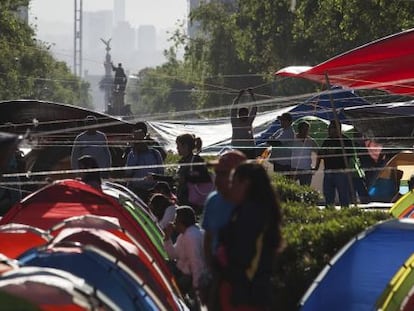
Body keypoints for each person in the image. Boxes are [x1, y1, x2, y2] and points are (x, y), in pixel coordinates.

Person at [215, 163, 283, 310]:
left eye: (233, 182)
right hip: (245, 292)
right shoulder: (248, 210)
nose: (230, 187)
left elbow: (242, 256)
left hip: (247, 295)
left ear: (245, 184)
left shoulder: (252, 214)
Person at [200, 150, 247, 309]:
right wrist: (209, 269)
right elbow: (208, 237)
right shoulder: (213, 201)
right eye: (217, 173)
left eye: (223, 173)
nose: (217, 178)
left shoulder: (252, 204)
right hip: (218, 274)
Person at [163, 206, 206, 307]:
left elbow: (196, 262)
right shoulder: (184, 235)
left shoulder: (191, 237)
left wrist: (197, 286)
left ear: (181, 221)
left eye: (175, 219)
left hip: (189, 277)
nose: (173, 222)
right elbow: (173, 255)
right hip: (183, 271)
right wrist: (167, 238)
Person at [315, 120, 354, 208]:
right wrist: (316, 166)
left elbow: (350, 156)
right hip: (328, 171)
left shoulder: (346, 141)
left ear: (337, 129)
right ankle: (330, 211)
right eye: (329, 129)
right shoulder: (327, 141)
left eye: (331, 128)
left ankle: (345, 212)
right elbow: (320, 154)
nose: (329, 131)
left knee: (343, 195)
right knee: (328, 195)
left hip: (341, 172)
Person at [125, 122, 164, 202]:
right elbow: (128, 172)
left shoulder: (155, 153)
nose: (138, 141)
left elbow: (161, 173)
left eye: (140, 138)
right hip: (136, 191)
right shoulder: (131, 153)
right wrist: (135, 153)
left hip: (152, 192)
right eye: (136, 138)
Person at [176, 133, 212, 213]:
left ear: (185, 146)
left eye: (178, 146)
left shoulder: (196, 160)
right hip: (183, 199)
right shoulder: (183, 161)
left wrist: (186, 178)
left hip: (193, 201)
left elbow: (205, 178)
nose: (177, 148)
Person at [231, 89, 258, 159]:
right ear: (239, 115)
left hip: (249, 149)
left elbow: (254, 109)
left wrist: (252, 96)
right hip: (237, 149)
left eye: (245, 114)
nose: (244, 116)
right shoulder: (235, 121)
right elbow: (233, 109)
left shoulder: (249, 121)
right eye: (242, 114)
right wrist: (239, 96)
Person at [291, 121, 318, 186]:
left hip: (306, 170)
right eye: (304, 129)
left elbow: (319, 153)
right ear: (299, 129)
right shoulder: (292, 139)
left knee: (305, 191)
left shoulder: (311, 140)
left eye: (307, 129)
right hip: (293, 169)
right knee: (290, 190)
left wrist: (316, 167)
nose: (306, 131)